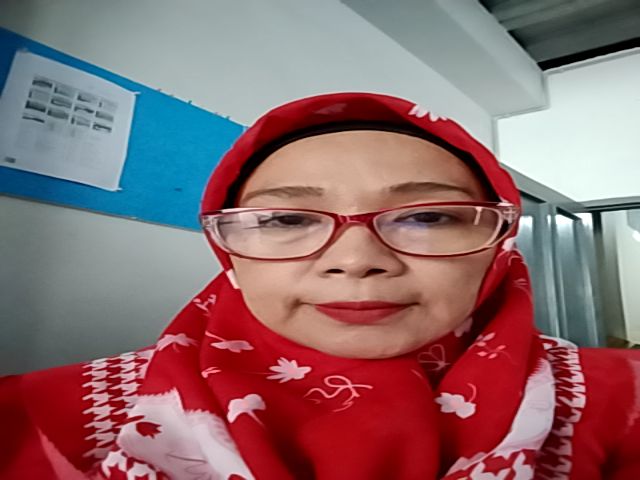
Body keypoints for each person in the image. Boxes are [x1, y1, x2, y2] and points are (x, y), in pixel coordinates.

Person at [1, 92, 639, 480]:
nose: (356, 261)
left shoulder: (623, 403)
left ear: (498, 242)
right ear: (227, 250)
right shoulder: (33, 416)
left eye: (426, 217)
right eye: (285, 219)